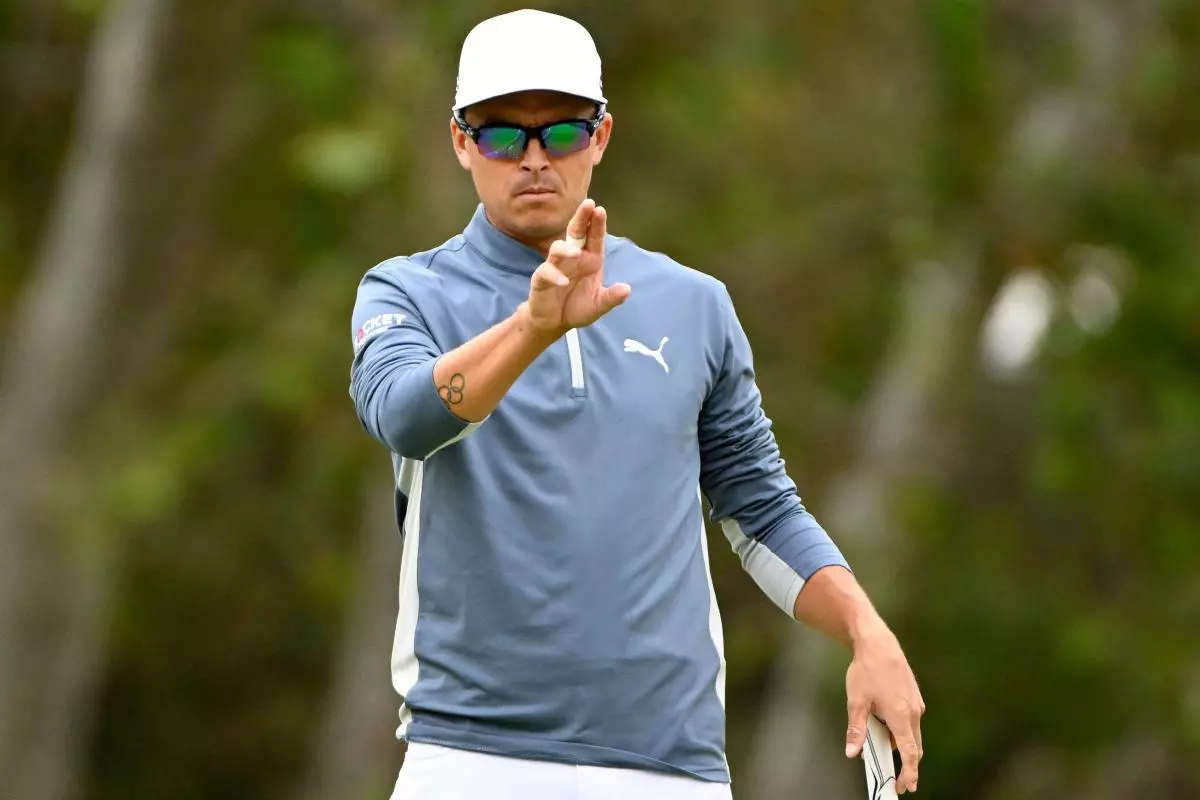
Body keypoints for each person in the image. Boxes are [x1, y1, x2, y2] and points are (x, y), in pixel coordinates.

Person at [349, 9, 925, 799]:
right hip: (474, 757)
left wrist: (868, 630)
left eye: (561, 133)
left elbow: (760, 509)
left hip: (669, 768)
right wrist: (531, 327)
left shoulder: (693, 305)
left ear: (602, 137)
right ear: (460, 143)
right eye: (501, 136)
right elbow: (405, 416)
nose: (533, 159)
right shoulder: (407, 291)